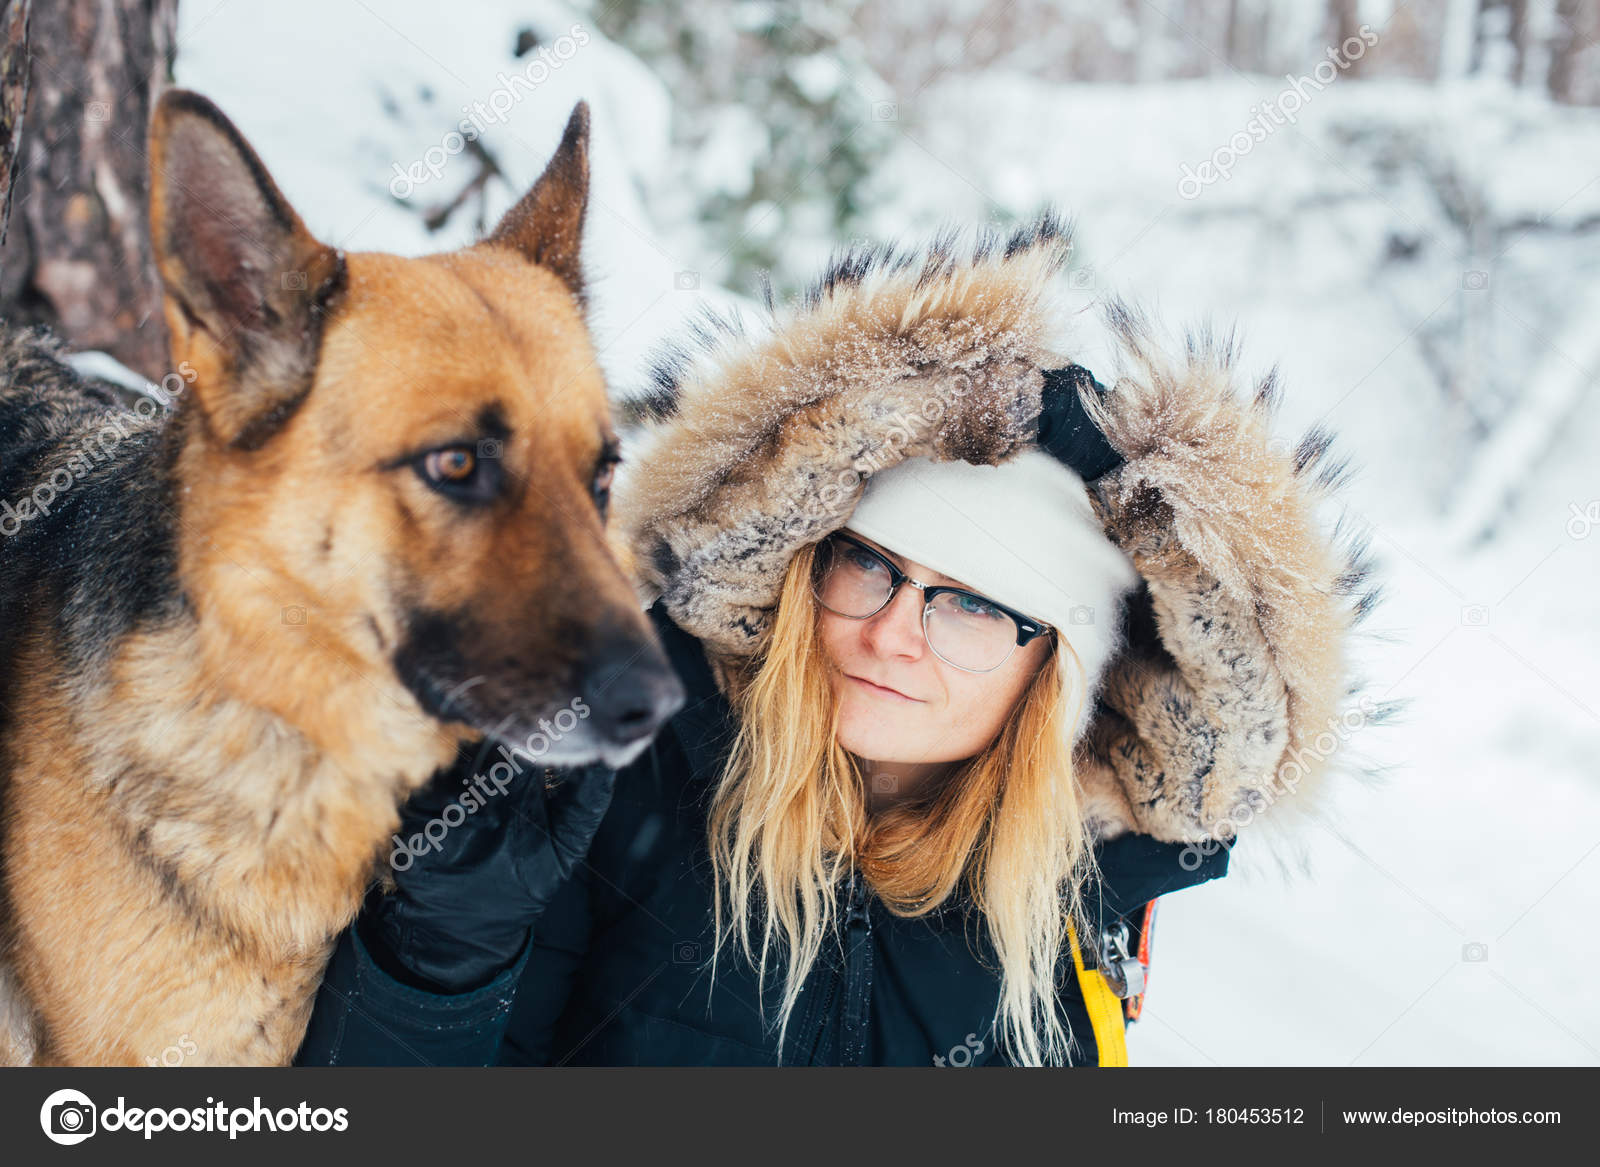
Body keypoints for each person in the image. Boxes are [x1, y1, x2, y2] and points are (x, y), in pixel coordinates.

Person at [295, 212, 1378, 1067]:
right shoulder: (627, 787)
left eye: (969, 606)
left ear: (1051, 670)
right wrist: (440, 953)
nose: (891, 634)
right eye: (870, 567)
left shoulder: (1071, 905)